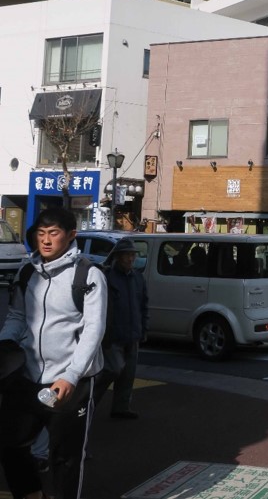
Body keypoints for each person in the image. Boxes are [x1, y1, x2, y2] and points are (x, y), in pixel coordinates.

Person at [0, 207, 107, 499]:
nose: (45, 241)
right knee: (12, 444)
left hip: (72, 383)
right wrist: (5, 342)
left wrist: (72, 375)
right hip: (28, 376)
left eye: (54, 233)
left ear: (71, 235)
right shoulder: (26, 272)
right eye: (41, 233)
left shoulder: (89, 275)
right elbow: (17, 317)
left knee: (65, 459)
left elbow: (93, 331)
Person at [92, 238, 148, 419]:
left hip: (133, 333)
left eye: (133, 255)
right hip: (113, 333)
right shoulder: (106, 277)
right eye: (127, 255)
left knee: (128, 374)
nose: (131, 259)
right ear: (118, 257)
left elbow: (143, 305)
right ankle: (87, 402)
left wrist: (144, 329)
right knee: (113, 369)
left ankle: (121, 407)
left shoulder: (138, 278)